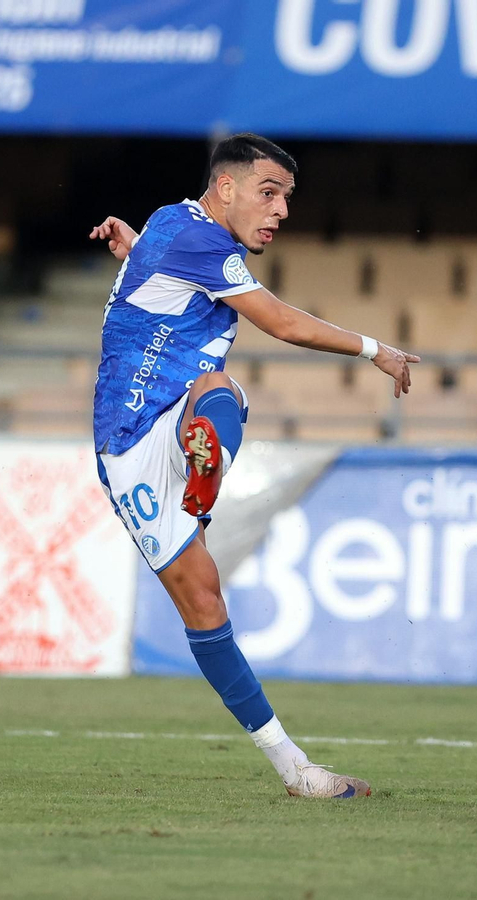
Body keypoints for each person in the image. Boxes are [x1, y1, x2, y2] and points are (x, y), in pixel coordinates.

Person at [88, 133, 418, 799]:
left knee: (219, 389)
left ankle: (298, 772)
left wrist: (133, 256)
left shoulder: (171, 223)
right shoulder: (201, 241)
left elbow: (147, 282)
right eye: (270, 193)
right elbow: (284, 325)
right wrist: (375, 349)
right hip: (131, 445)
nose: (281, 210)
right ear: (227, 188)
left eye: (287, 198)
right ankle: (292, 766)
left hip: (178, 413)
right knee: (204, 605)